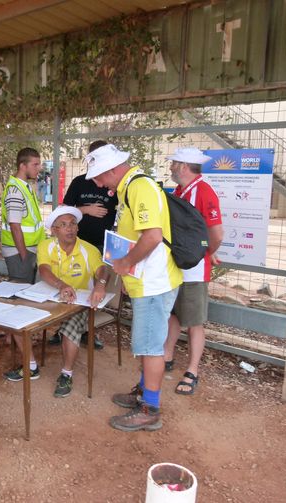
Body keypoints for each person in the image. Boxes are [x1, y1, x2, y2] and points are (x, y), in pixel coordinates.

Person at [85, 144, 182, 432]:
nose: (98, 184)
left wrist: (126, 263)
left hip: (153, 283)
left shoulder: (140, 188)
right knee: (145, 343)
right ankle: (143, 391)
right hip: (145, 281)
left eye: (100, 177)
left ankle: (150, 409)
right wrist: (128, 273)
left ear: (114, 169)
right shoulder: (131, 189)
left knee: (150, 347)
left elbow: (152, 236)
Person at [3, 206, 109, 395]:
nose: (69, 229)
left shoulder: (88, 249)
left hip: (78, 302)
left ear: (78, 228)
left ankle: (66, 374)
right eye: (63, 225)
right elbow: (44, 270)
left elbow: (102, 270)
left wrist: (100, 285)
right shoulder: (46, 246)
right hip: (49, 296)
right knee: (16, 317)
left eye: (73, 224)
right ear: (54, 230)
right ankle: (31, 366)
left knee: (69, 329)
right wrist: (61, 286)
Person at [163, 147, 223, 396]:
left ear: (184, 167)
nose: (170, 168)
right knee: (174, 314)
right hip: (176, 267)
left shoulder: (204, 191)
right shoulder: (179, 191)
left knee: (194, 322)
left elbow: (216, 232)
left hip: (194, 271)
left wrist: (206, 253)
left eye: (174, 164)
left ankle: (192, 370)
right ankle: (167, 354)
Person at [52, 139, 118, 350]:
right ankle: (61, 329)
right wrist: (86, 210)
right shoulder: (80, 182)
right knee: (70, 284)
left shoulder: (113, 184)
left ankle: (88, 330)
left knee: (94, 288)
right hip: (75, 244)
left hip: (100, 245)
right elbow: (64, 210)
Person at [0, 147, 45, 284]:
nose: (39, 168)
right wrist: (24, 255)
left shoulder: (24, 187)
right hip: (19, 251)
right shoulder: (15, 190)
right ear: (22, 166)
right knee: (19, 293)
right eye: (35, 164)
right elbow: (15, 226)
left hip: (26, 249)